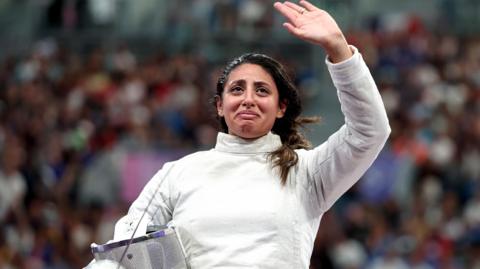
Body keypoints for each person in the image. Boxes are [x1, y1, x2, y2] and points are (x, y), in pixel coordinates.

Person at [104, 1, 391, 268]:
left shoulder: (306, 172)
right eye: (237, 89)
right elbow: (121, 254)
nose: (248, 99)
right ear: (220, 105)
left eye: (262, 91)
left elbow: (370, 131)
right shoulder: (178, 174)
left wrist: (340, 50)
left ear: (281, 108)